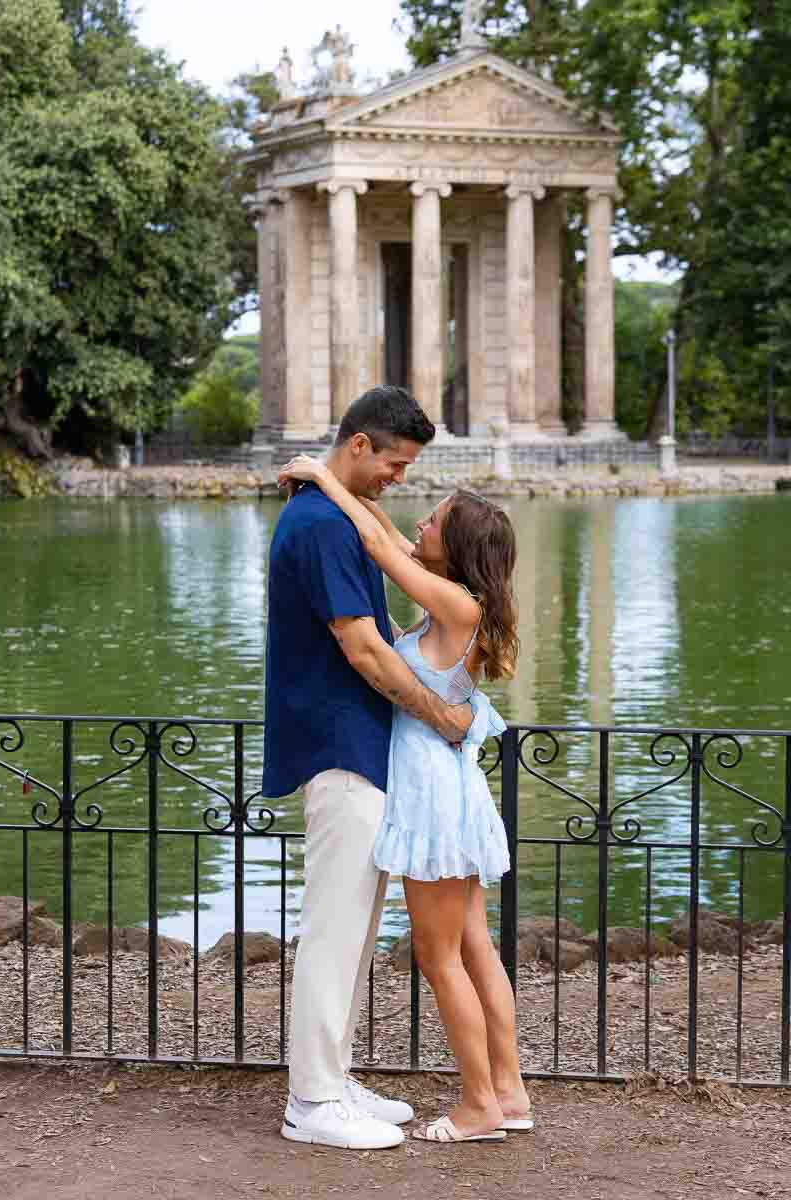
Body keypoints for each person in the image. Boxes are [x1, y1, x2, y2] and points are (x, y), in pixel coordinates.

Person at [277, 455, 535, 1145]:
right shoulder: (450, 601)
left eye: (437, 520)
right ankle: (508, 1092)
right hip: (446, 787)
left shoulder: (456, 605)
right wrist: (342, 483)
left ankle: (480, 1104)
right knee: (477, 949)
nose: (420, 521)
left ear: (459, 548)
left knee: (439, 955)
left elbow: (376, 545)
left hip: (433, 795)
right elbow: (388, 533)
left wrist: (325, 480)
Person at [262, 386, 475, 1151]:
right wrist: (442, 714)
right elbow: (362, 647)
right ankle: (312, 1102)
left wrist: (323, 478)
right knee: (334, 928)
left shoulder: (329, 510)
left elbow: (382, 540)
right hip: (338, 744)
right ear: (358, 445)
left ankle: (334, 1077)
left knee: (354, 929)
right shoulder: (319, 525)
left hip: (358, 744)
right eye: (392, 461)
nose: (398, 476)